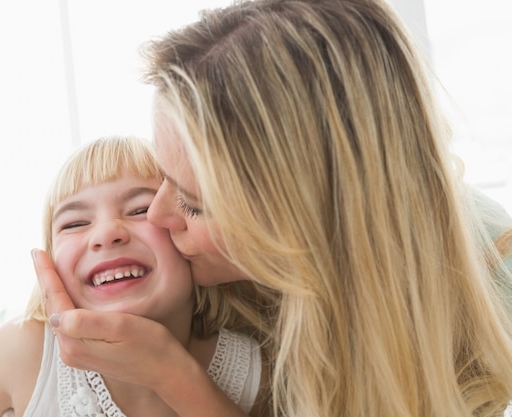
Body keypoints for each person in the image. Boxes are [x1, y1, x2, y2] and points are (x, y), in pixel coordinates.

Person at [36, 1, 512, 417]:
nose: (158, 216)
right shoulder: (213, 285)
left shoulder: (491, 281)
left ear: (305, 227)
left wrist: (174, 377)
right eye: (164, 179)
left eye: (194, 205)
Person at [0, 136, 270, 417]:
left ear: (187, 236)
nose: (106, 233)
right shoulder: (28, 351)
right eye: (76, 222)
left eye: (139, 209)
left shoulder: (255, 370)